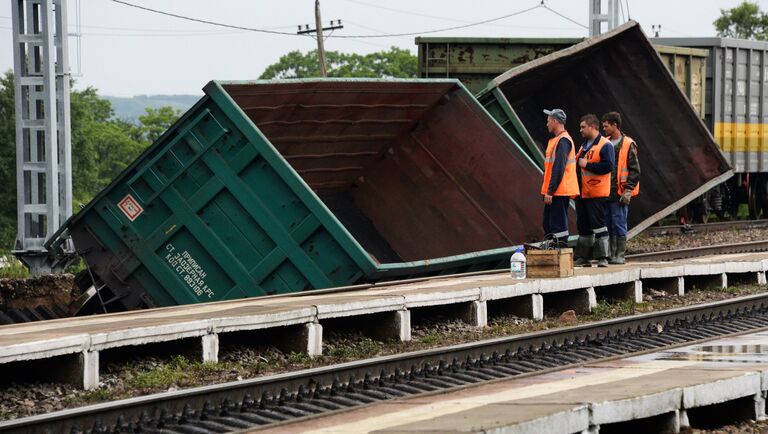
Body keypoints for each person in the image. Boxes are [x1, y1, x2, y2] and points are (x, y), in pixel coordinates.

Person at [574, 114, 615, 267]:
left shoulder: (605, 145)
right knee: (583, 226)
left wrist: (587, 164)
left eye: (583, 127)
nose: (580, 130)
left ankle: (603, 257)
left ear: (592, 127)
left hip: (596, 192)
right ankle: (584, 257)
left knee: (599, 225)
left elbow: (608, 166)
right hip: (583, 192)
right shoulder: (584, 145)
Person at [601, 112, 640, 264]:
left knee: (618, 224)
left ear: (614, 125)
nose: (603, 129)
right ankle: (611, 254)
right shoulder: (604, 142)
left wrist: (628, 190)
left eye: (606, 126)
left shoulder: (628, 144)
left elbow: (635, 170)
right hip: (606, 192)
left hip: (619, 193)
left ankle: (620, 255)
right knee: (607, 224)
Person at [541, 109, 579, 247]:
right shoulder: (558, 140)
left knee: (558, 225)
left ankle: (560, 253)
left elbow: (558, 169)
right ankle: (553, 251)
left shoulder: (563, 141)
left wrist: (550, 191)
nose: (547, 124)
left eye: (548, 121)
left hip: (558, 191)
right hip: (555, 190)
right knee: (549, 224)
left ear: (555, 121)